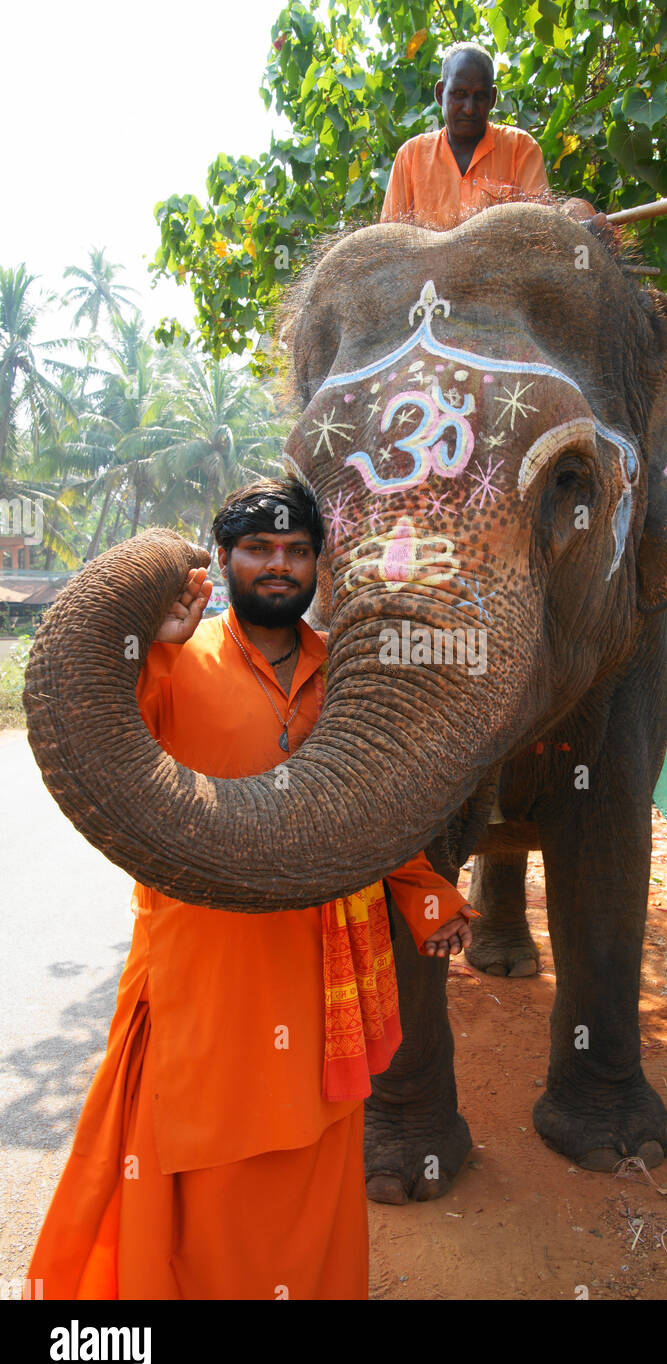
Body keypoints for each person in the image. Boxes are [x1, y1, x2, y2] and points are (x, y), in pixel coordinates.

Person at [26, 478, 475, 1301]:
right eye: (260, 550)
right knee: (198, 1156)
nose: (279, 566)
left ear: (317, 565)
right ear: (225, 558)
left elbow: (373, 805)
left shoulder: (345, 672)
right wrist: (148, 641)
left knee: (311, 1148)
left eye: (298, 551)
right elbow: (97, 737)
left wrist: (425, 895)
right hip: (202, 967)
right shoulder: (172, 661)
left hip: (319, 970)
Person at [381, 40, 598, 230]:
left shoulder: (520, 148)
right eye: (459, 94)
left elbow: (541, 229)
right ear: (440, 94)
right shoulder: (410, 156)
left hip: (507, 276)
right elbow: (390, 242)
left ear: (493, 98)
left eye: (480, 97)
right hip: (427, 278)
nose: (469, 108)